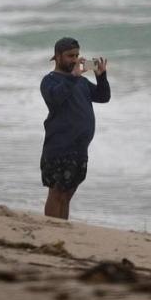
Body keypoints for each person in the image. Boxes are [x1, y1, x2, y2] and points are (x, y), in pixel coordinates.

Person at [40, 37, 110, 219]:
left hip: (79, 149)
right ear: (57, 56)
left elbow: (103, 97)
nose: (75, 59)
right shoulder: (49, 81)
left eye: (77, 55)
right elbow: (55, 98)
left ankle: (62, 230)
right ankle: (52, 229)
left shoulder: (80, 82)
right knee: (56, 193)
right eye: (70, 55)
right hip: (59, 147)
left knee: (67, 196)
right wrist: (72, 78)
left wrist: (101, 76)